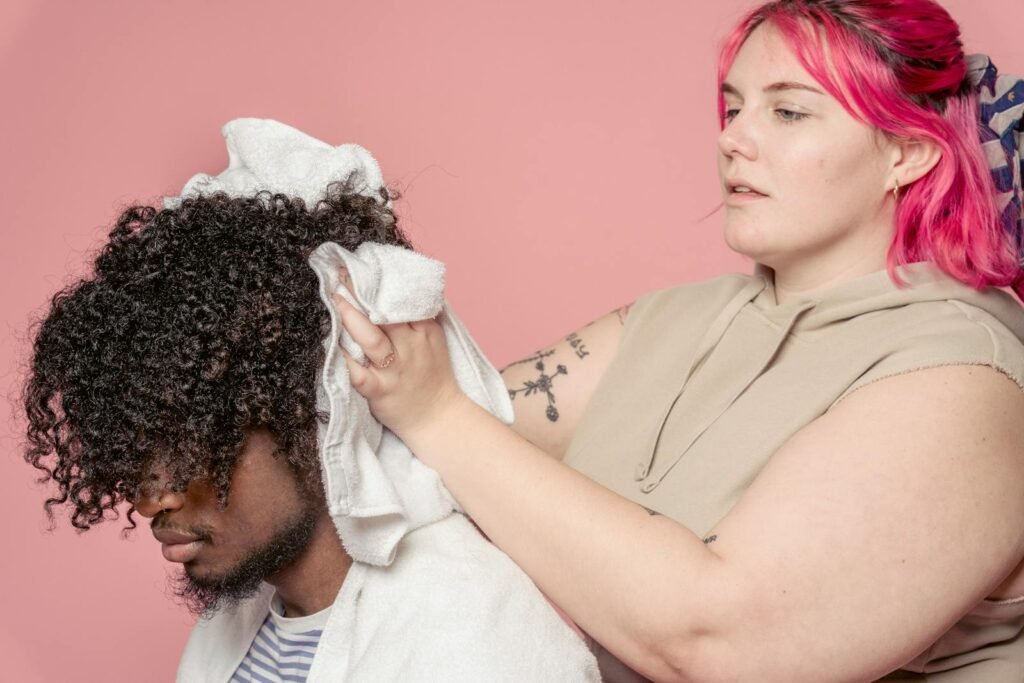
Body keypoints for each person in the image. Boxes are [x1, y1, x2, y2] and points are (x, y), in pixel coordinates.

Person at [332, 1, 1024, 680]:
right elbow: (418, 432)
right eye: (733, 107)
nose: (732, 139)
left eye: (787, 111)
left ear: (906, 152)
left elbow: (720, 641)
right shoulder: (679, 319)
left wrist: (435, 413)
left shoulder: (967, 379)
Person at [21, 182, 600, 681]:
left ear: (314, 417)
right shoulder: (239, 627)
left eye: (195, 446)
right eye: (133, 455)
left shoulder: (473, 635)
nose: (151, 500)